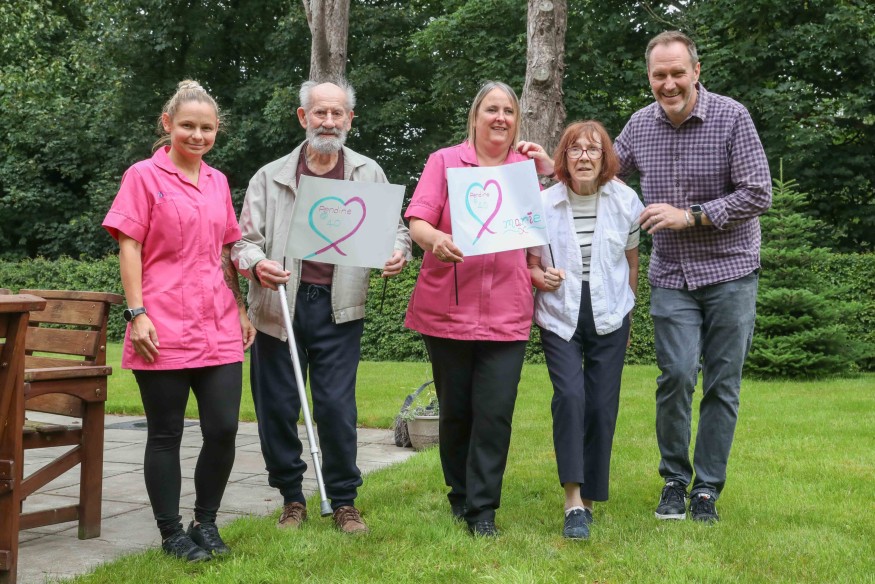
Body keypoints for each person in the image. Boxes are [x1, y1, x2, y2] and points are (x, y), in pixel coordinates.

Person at [231, 79, 411, 534]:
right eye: (319, 113)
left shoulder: (369, 173)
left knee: (335, 408)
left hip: (339, 308)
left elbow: (398, 231)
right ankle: (292, 499)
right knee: (277, 408)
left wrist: (398, 252)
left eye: (337, 114)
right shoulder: (270, 176)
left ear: (351, 119)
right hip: (278, 307)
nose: (328, 122)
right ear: (302, 118)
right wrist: (257, 264)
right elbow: (242, 243)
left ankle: (344, 500)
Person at [613, 30, 772, 522]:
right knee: (677, 376)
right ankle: (674, 480)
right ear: (650, 78)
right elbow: (600, 172)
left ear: (696, 71)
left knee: (722, 383)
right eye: (659, 75)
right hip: (672, 275)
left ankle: (706, 489)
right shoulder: (639, 126)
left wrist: (691, 215)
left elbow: (758, 192)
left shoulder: (732, 117)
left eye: (677, 72)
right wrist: (548, 164)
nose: (669, 83)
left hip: (731, 271)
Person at [103, 80, 256, 562]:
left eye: (206, 128)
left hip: (218, 321)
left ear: (217, 132)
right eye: (187, 125)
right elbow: (129, 244)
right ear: (167, 125)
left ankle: (205, 522)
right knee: (166, 432)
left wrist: (242, 306)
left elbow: (227, 250)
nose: (197, 134)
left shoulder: (217, 182)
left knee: (224, 427)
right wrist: (138, 313)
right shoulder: (142, 176)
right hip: (162, 322)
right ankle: (171, 533)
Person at [404, 81, 550, 537]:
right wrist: (435, 240)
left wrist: (547, 168)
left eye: (509, 110)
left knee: (495, 411)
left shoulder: (525, 169)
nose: (501, 117)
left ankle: (483, 510)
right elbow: (418, 219)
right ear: (475, 117)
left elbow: (543, 225)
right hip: (447, 308)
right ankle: (460, 495)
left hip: (507, 310)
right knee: (456, 411)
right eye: (492, 109)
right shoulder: (444, 161)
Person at [526, 121, 643, 539]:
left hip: (610, 312)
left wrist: (628, 313)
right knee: (571, 397)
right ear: (564, 158)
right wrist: (541, 275)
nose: (584, 157)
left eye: (593, 150)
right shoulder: (544, 203)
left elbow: (631, 261)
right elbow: (531, 264)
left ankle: (590, 500)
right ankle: (573, 500)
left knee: (601, 405)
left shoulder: (626, 201)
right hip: (561, 314)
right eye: (575, 150)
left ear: (605, 157)